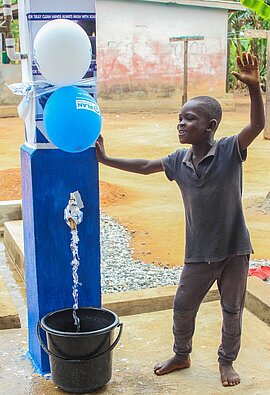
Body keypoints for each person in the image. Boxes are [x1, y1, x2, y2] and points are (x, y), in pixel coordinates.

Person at [95, 52, 265, 387]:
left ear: (211, 127)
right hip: (198, 252)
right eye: (179, 119)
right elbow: (145, 166)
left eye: (189, 120)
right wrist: (106, 159)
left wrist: (254, 89)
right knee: (183, 306)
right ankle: (181, 353)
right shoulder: (177, 161)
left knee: (232, 311)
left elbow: (257, 126)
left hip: (233, 251)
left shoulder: (230, 150)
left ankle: (226, 361)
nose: (181, 125)